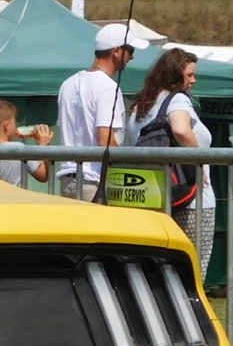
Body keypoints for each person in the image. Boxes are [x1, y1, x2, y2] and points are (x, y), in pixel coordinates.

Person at [126, 47, 215, 277]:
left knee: (157, 270)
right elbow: (181, 129)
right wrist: (199, 160)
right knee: (193, 268)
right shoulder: (177, 100)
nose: (193, 81)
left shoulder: (141, 106)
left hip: (152, 196)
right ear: (175, 75)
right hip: (190, 197)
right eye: (189, 75)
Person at [56, 22, 148, 201]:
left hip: (67, 181)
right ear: (116, 51)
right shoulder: (108, 87)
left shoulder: (68, 84)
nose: (132, 56)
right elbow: (105, 140)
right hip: (94, 183)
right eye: (130, 50)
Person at [0, 98, 51, 188]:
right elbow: (43, 175)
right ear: (7, 125)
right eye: (14, 122)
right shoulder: (19, 149)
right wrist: (43, 146)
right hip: (15, 197)